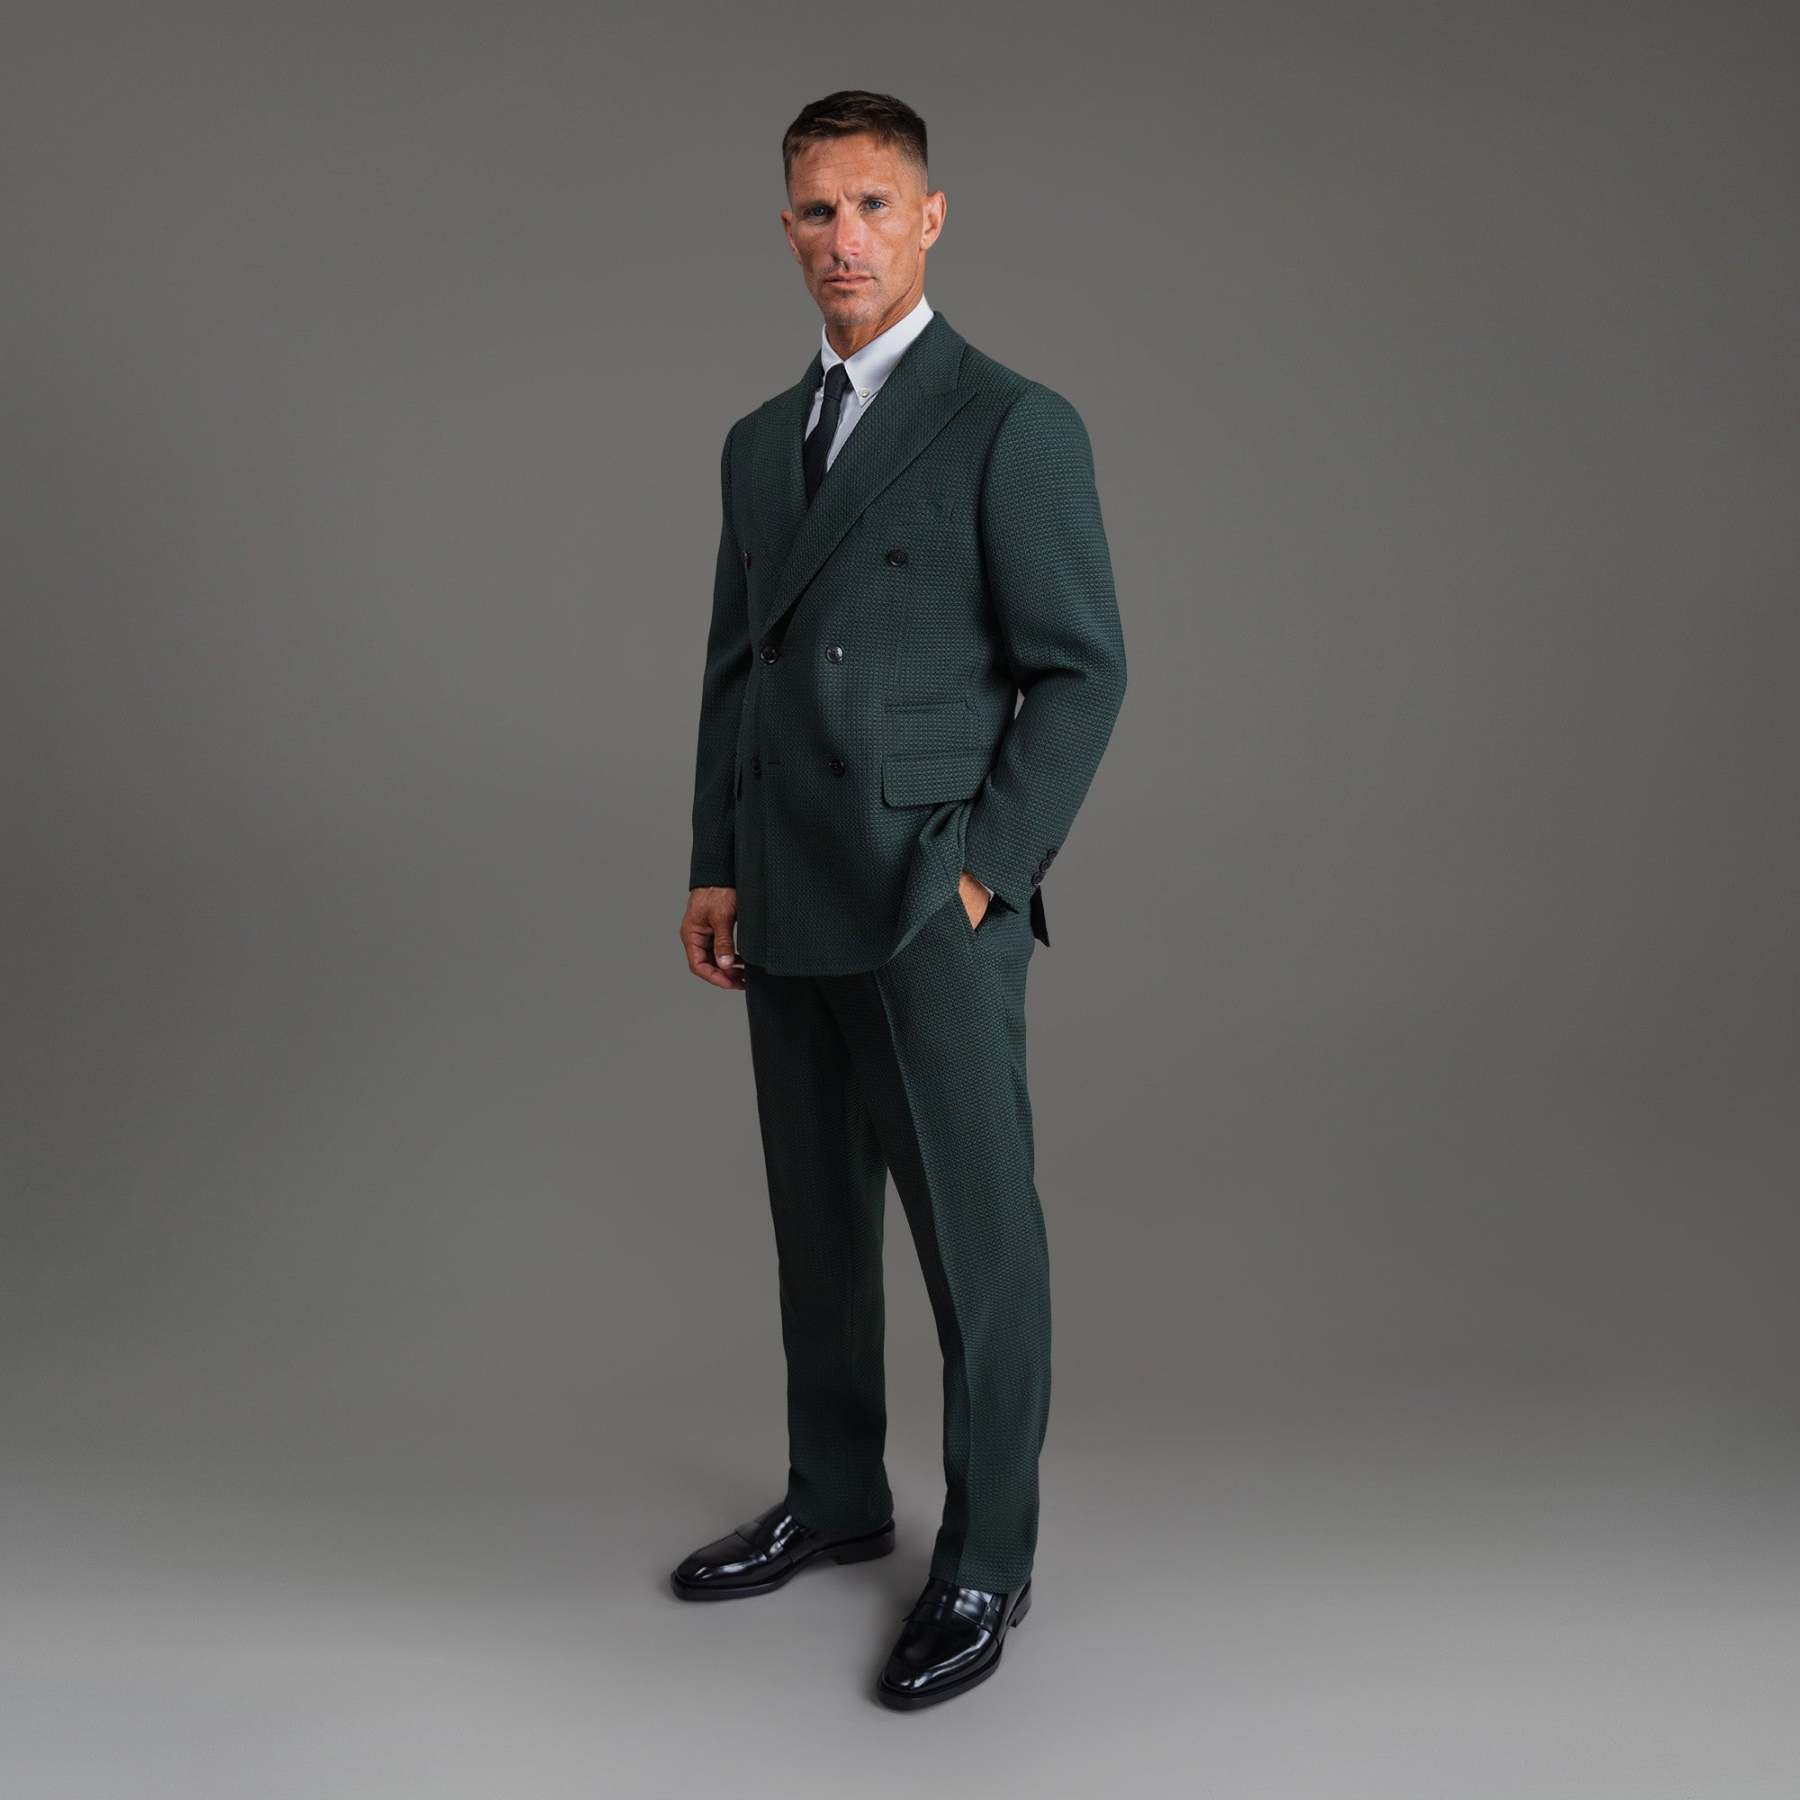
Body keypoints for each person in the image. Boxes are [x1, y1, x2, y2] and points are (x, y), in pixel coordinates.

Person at [673, 88, 1127, 1711]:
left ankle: (989, 1556)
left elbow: (1083, 670)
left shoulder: (1010, 422)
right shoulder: (757, 443)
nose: (844, 238)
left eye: (873, 206)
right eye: (817, 210)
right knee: (817, 1221)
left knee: (978, 1247)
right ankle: (837, 1494)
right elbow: (738, 668)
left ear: (930, 219)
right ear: (786, 228)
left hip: (929, 890)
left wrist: (986, 873)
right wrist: (716, 859)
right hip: (789, 882)